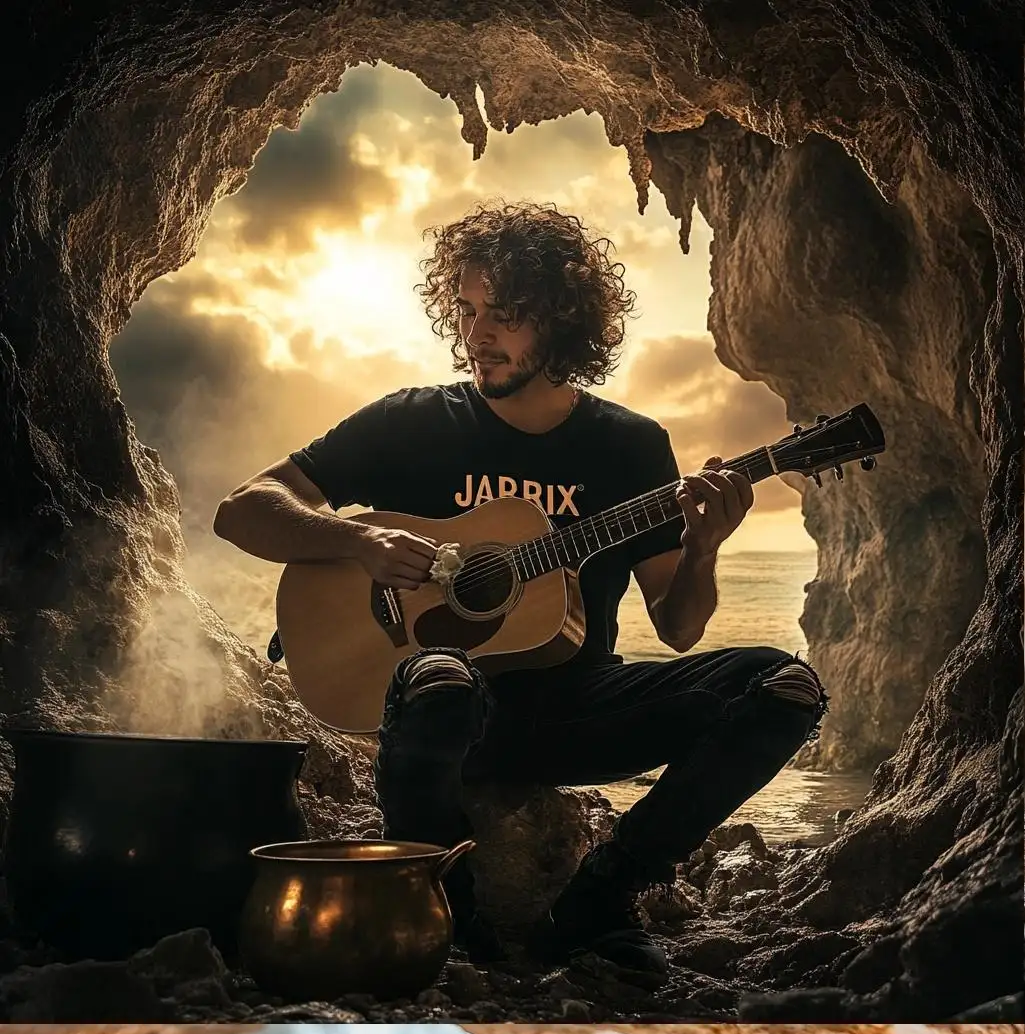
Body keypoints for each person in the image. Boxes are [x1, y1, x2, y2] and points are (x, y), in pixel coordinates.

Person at [214, 200, 826, 977]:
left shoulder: (630, 447)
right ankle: (451, 913)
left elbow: (676, 628)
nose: (478, 334)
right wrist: (357, 540)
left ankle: (603, 897)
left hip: (578, 708)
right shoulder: (413, 423)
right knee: (440, 675)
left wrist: (704, 548)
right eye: (468, 311)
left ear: (563, 318)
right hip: (439, 717)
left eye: (504, 314)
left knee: (785, 687)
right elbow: (244, 510)